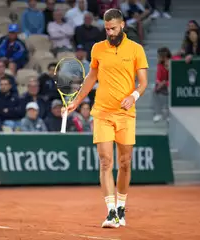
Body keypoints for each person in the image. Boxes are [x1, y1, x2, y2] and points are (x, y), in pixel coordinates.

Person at [65, 9, 148, 228]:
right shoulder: (97, 48)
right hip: (102, 112)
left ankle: (121, 206)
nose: (109, 32)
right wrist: (77, 100)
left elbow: (144, 82)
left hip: (126, 114)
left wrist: (134, 95)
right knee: (105, 161)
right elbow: (92, 76)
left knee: (125, 163)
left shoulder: (136, 49)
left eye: (113, 28)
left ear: (122, 25)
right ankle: (111, 212)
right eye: (106, 28)